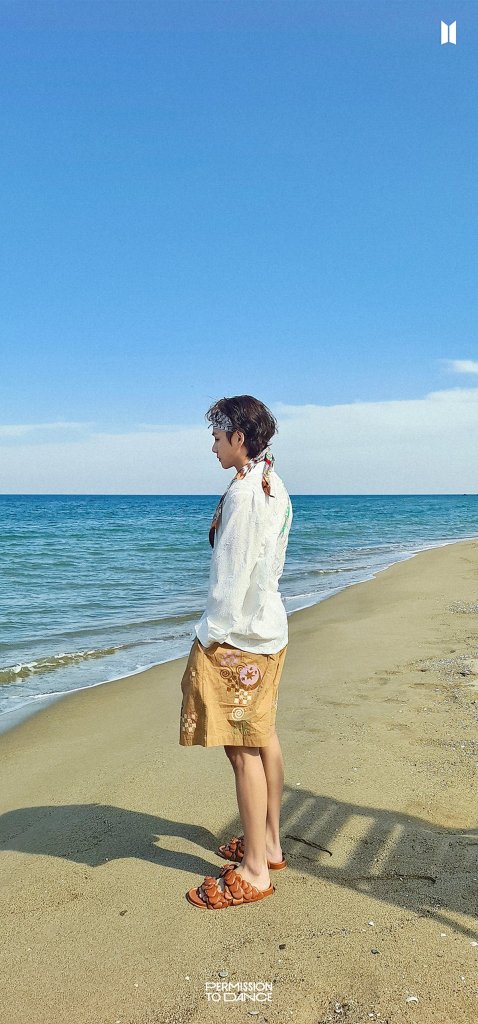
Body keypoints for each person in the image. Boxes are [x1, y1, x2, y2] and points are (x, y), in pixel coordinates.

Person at [180, 394, 293, 910]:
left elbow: (230, 581)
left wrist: (209, 635)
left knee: (241, 747)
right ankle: (268, 845)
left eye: (217, 437)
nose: (212, 446)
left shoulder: (246, 494)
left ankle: (255, 872)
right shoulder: (272, 482)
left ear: (238, 438)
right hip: (267, 629)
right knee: (262, 734)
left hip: (240, 638)